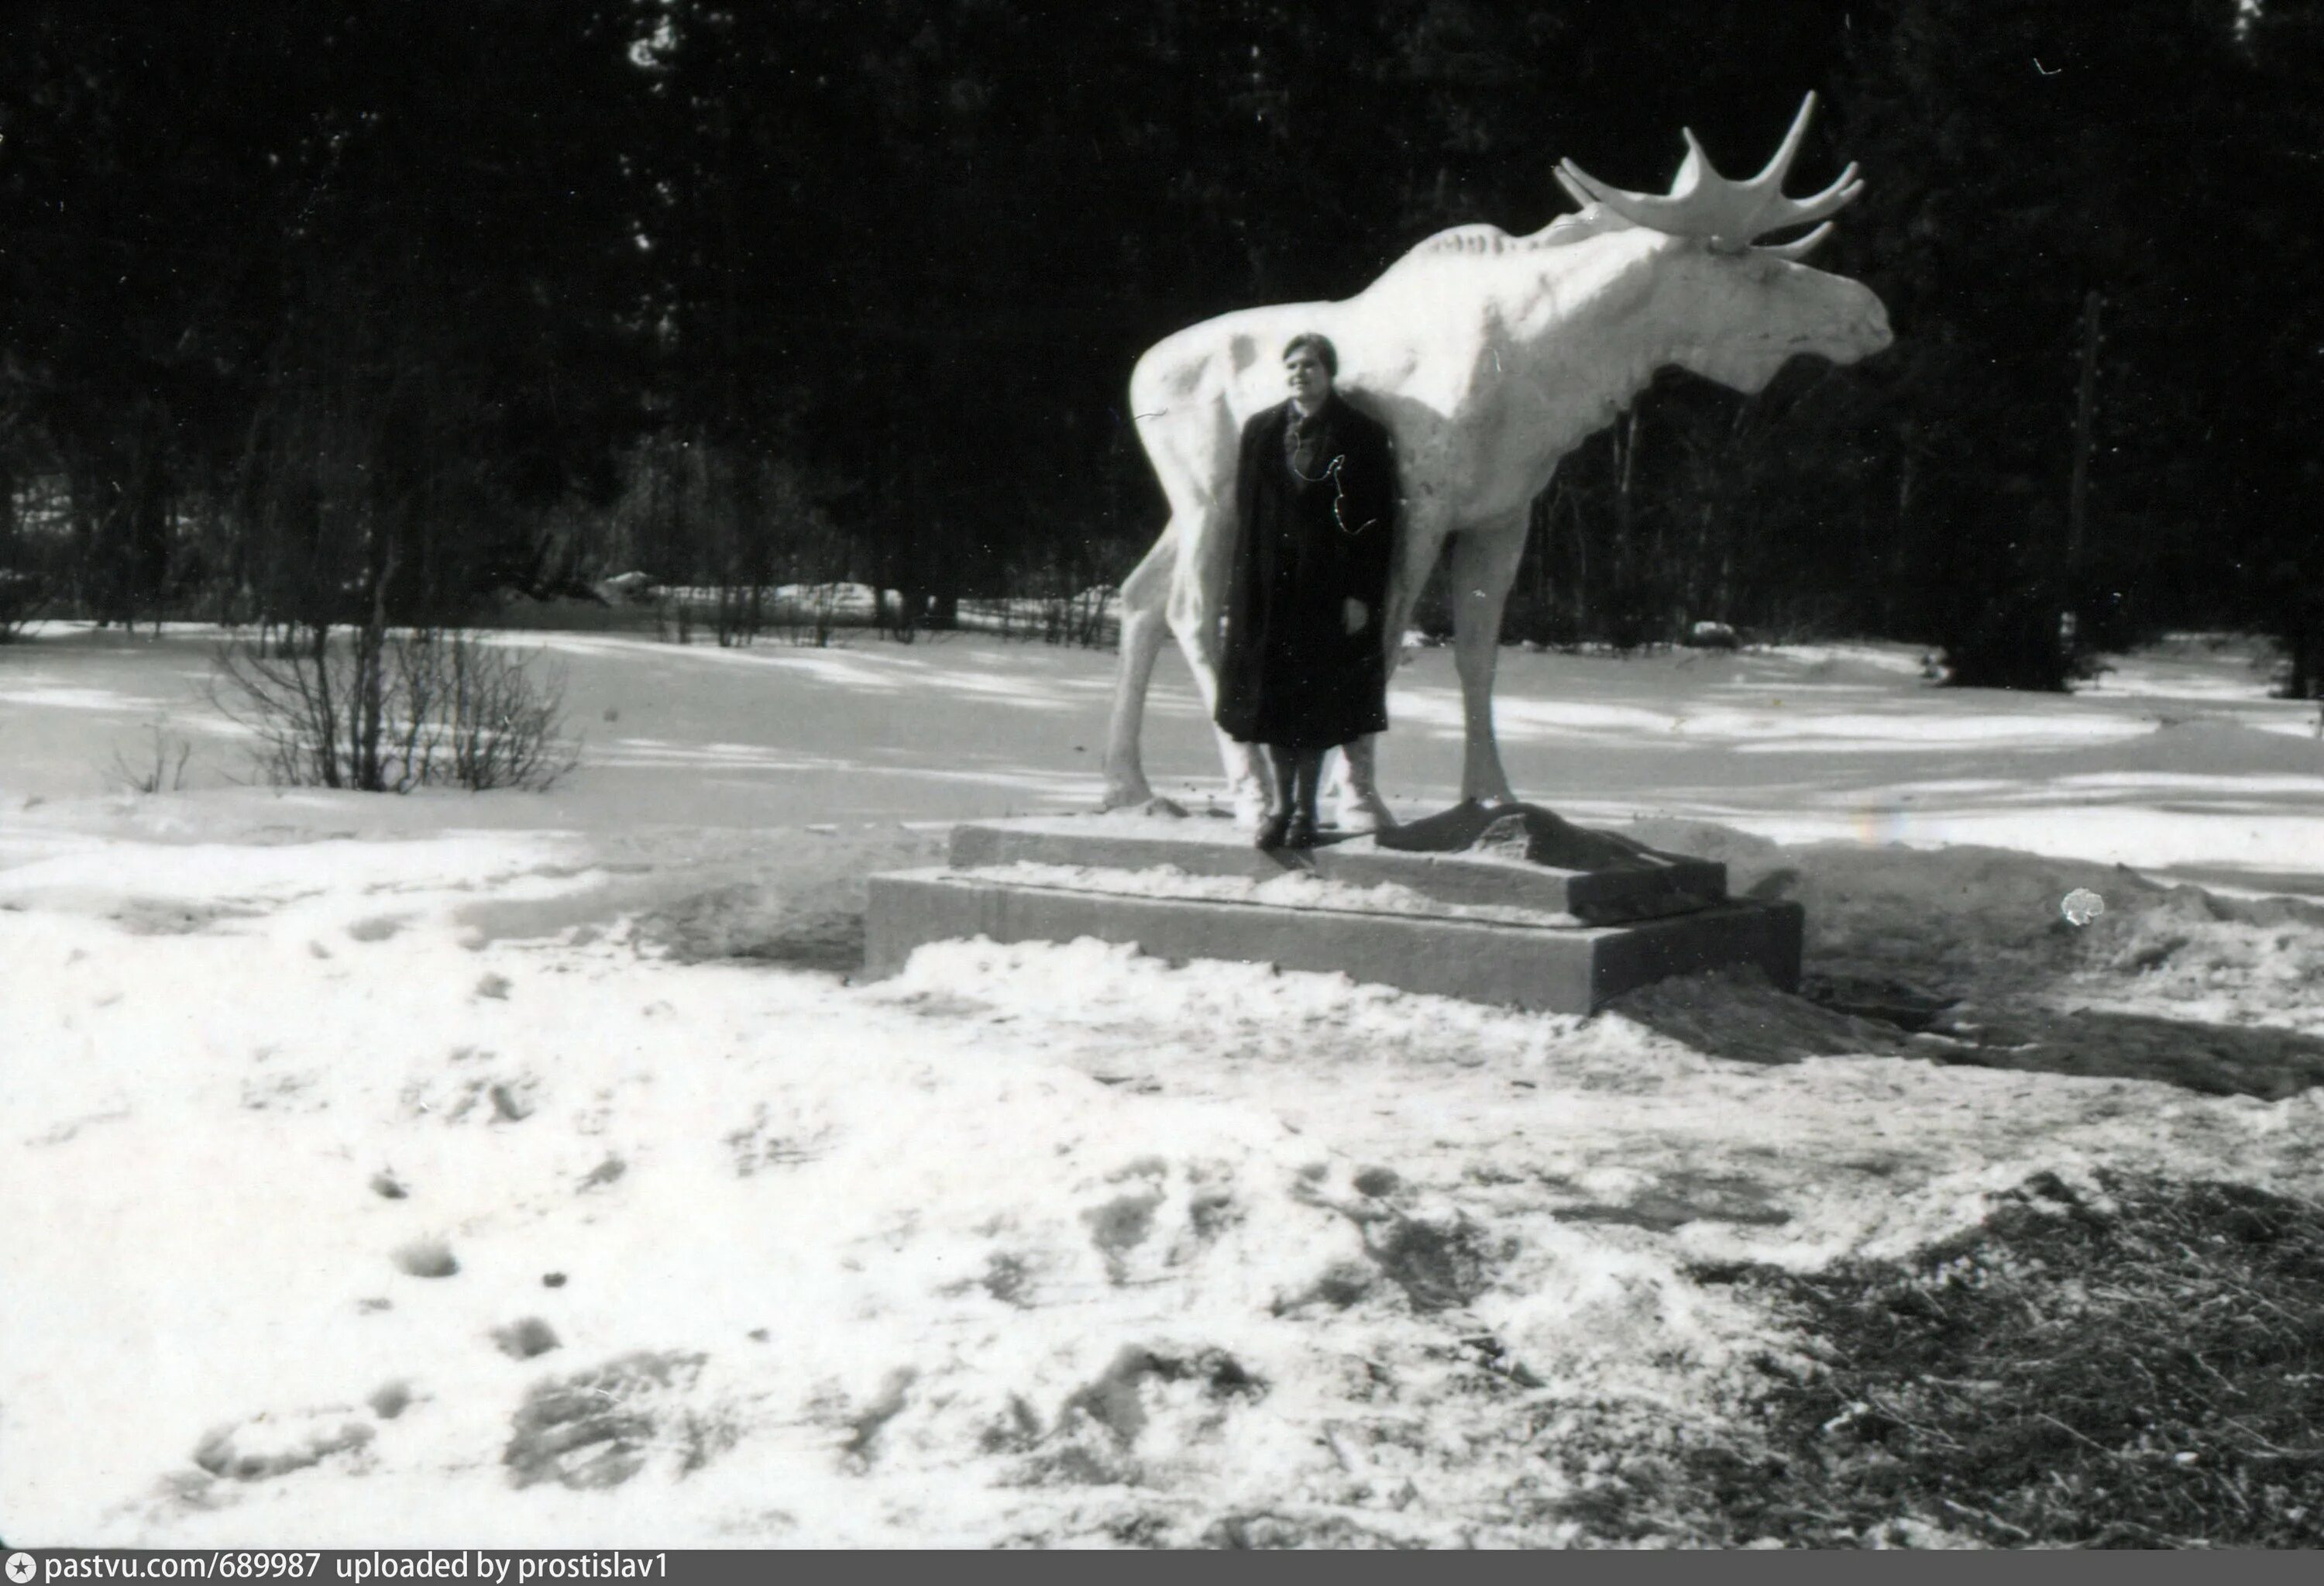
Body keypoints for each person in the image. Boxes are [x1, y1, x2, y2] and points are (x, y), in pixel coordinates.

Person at [1215, 332, 1400, 851]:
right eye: (1293, 365)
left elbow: (1373, 521)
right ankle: (1281, 808)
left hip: (1327, 590)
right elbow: (1247, 517)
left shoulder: (1360, 434)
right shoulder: (1261, 430)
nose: (1301, 373)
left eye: (1311, 365)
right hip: (1269, 591)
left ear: (1330, 373)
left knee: (1315, 709)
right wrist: (1243, 593)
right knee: (1271, 705)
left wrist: (1361, 592)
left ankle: (1308, 814)